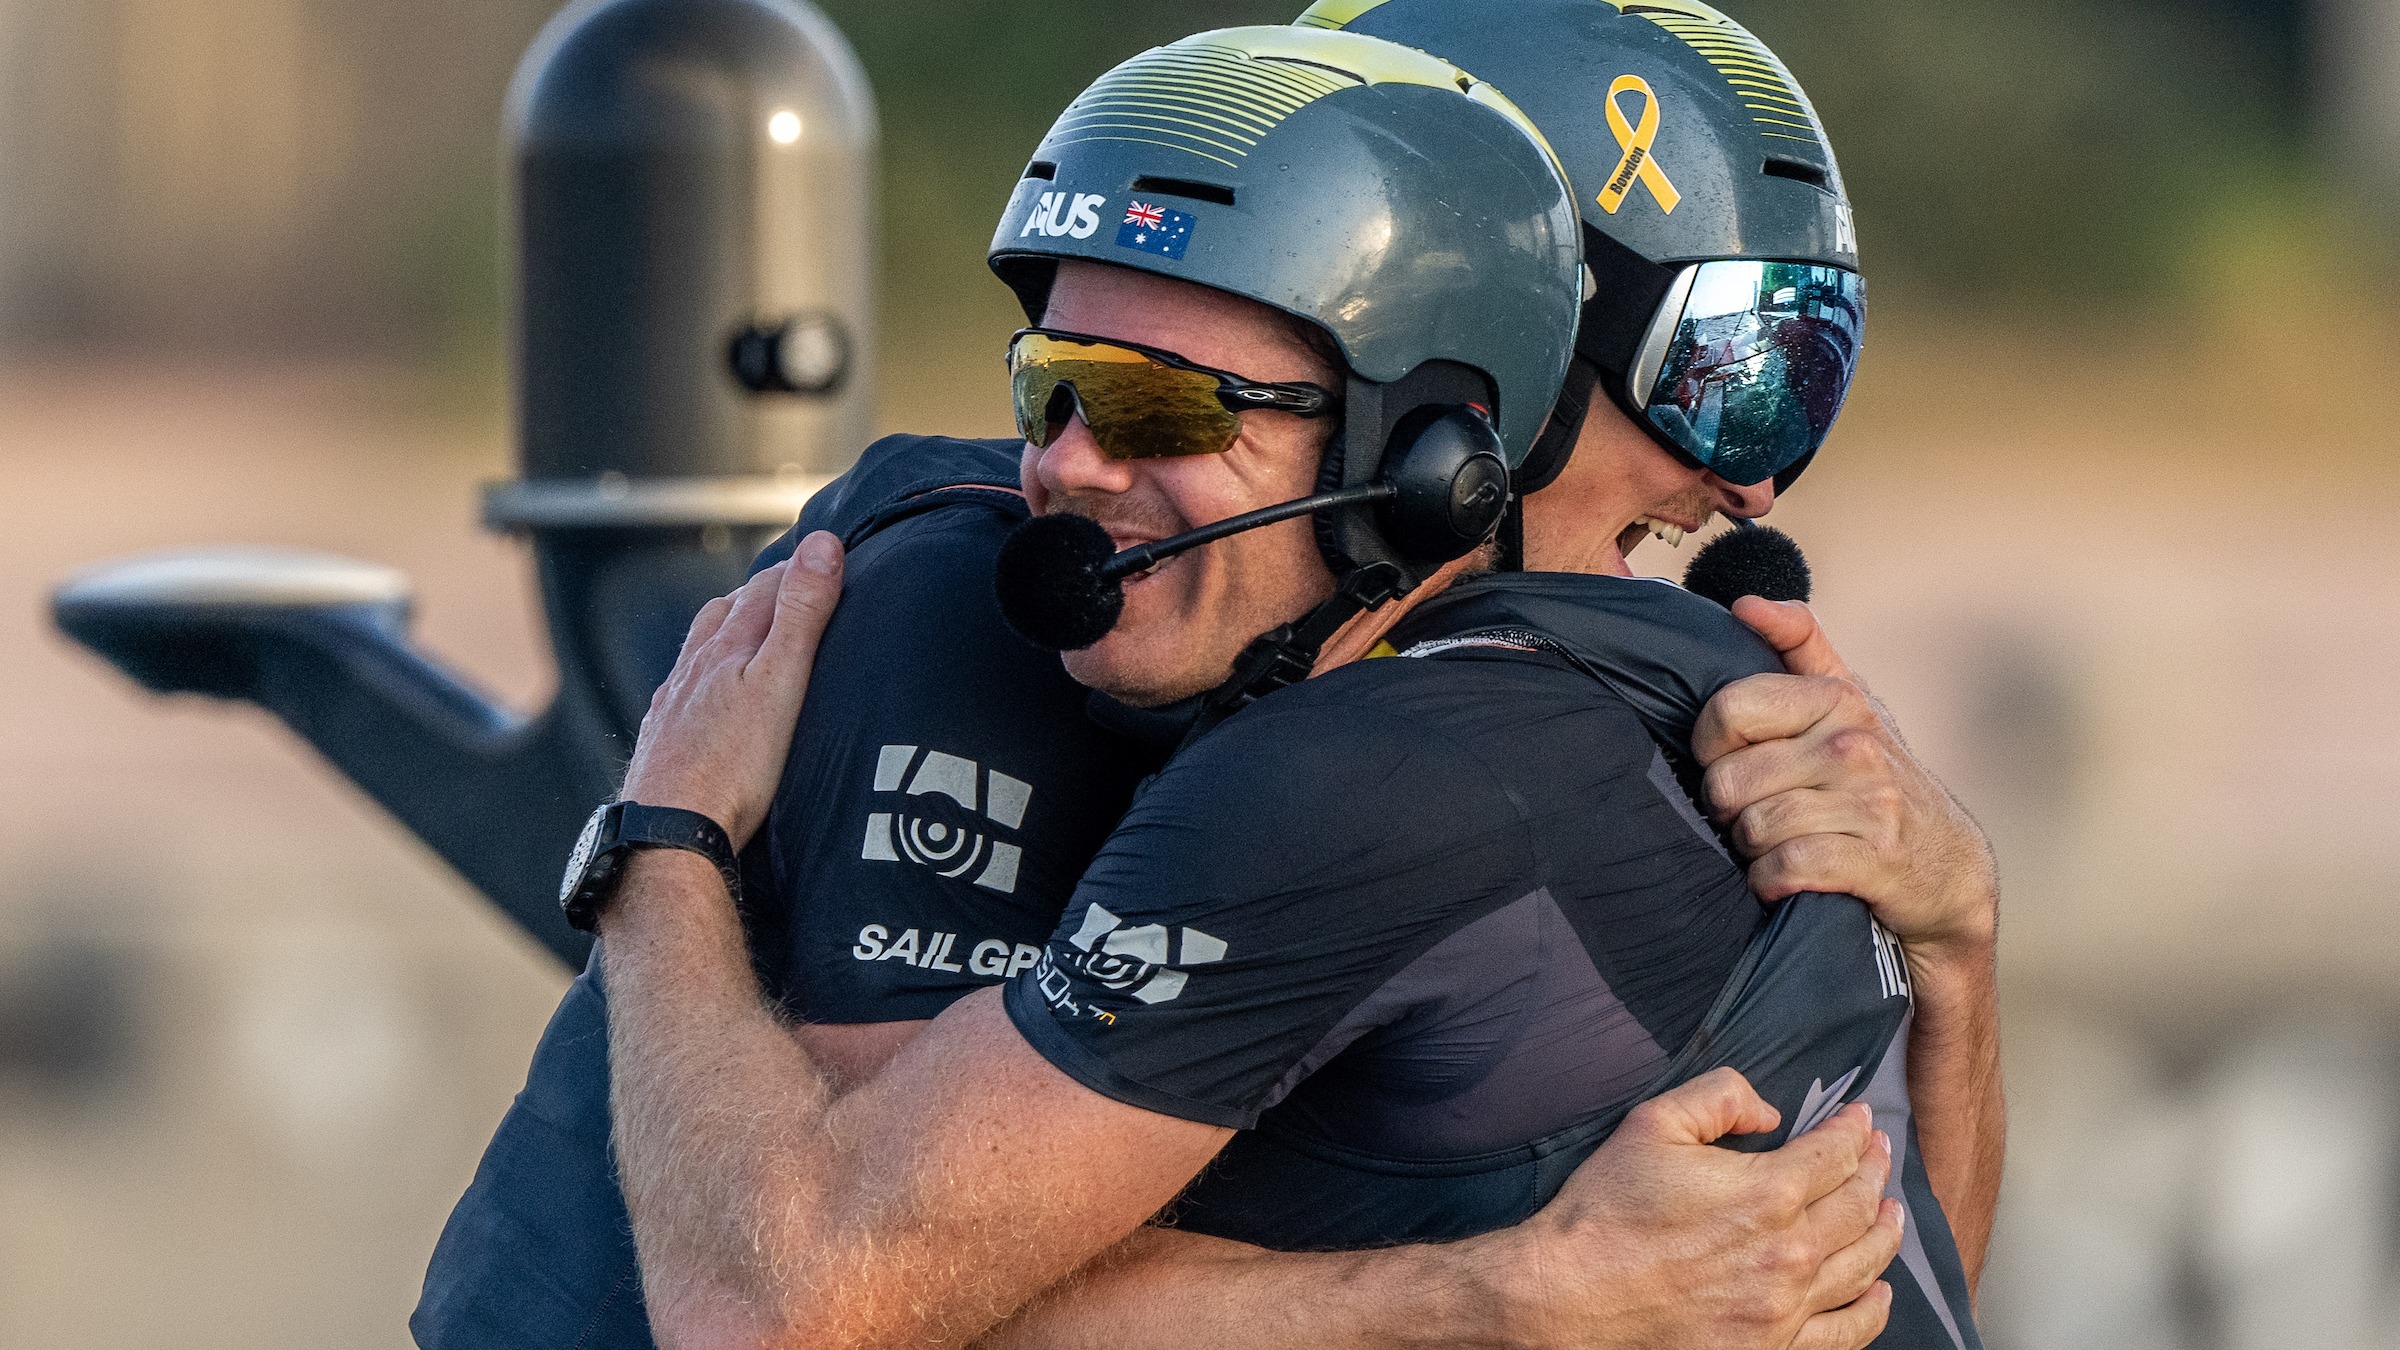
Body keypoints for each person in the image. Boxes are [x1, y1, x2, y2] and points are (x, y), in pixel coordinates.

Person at [412, 16, 2000, 1350]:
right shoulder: (982, 618)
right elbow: (817, 1293)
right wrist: (1505, 1294)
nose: (1752, 483)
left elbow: (1888, 1280)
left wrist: (1957, 934)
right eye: (1711, 378)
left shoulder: (1494, 741)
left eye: (1786, 381)